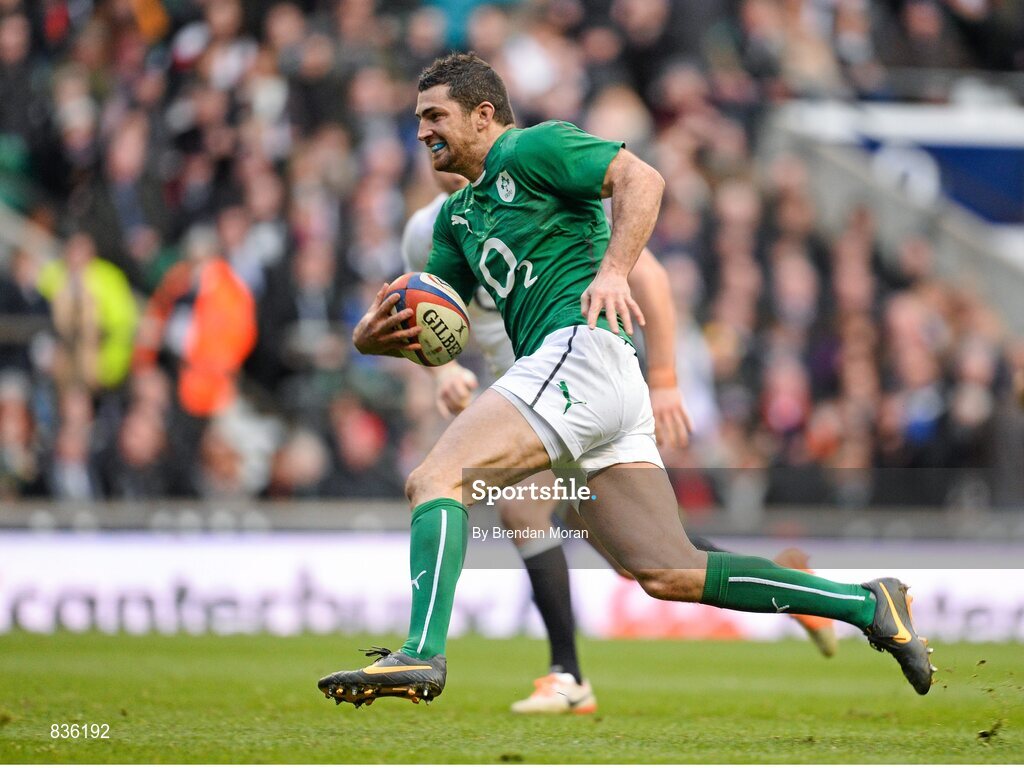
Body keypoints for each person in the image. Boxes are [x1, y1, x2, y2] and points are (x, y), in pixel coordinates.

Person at [318, 53, 934, 708]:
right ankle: (868, 603)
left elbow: (643, 179)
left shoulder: (536, 147)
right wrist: (372, 339)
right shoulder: (451, 221)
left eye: (434, 116)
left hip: (576, 352)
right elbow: (437, 313)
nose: (421, 132)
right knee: (670, 570)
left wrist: (614, 270)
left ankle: (423, 653)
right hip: (591, 380)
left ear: (483, 114)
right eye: (417, 120)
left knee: (437, 478)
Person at [400, 170, 837, 713]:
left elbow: (648, 278)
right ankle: (792, 586)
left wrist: (667, 379)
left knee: (522, 510)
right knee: (637, 558)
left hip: (575, 382)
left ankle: (567, 677)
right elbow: (418, 324)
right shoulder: (427, 233)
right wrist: (442, 375)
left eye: (444, 123)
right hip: (516, 393)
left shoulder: (535, 198)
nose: (437, 148)